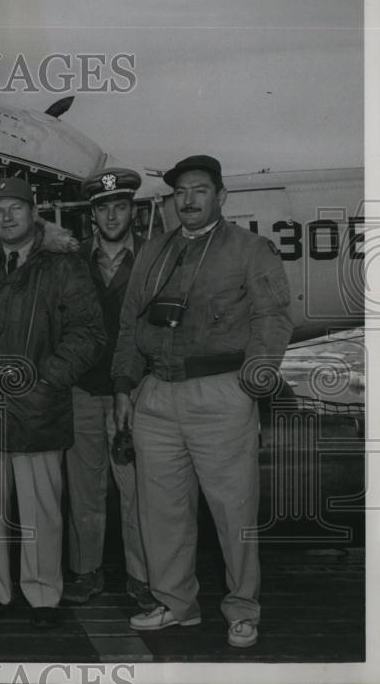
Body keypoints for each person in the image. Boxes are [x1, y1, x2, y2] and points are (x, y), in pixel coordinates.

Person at [112, 155, 292, 649]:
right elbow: (130, 325)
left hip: (221, 390)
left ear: (221, 196)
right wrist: (125, 388)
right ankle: (176, 604)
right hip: (156, 394)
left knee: (234, 510)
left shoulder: (250, 250)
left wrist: (250, 385)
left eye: (199, 190)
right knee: (161, 510)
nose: (188, 200)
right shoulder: (153, 250)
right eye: (180, 193)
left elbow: (272, 320)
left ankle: (242, 608)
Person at [0, 177, 105, 628]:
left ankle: (42, 594)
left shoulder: (63, 265)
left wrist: (47, 380)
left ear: (33, 212)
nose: (7, 217)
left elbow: (87, 332)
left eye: (16, 207)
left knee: (41, 509)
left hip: (39, 406)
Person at [62, 168, 156, 610]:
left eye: (120, 205)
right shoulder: (72, 261)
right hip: (83, 390)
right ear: (92, 215)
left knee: (139, 489)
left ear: (132, 210)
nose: (112, 214)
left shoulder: (155, 260)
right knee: (85, 487)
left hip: (136, 392)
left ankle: (142, 576)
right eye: (103, 207)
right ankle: (86, 570)